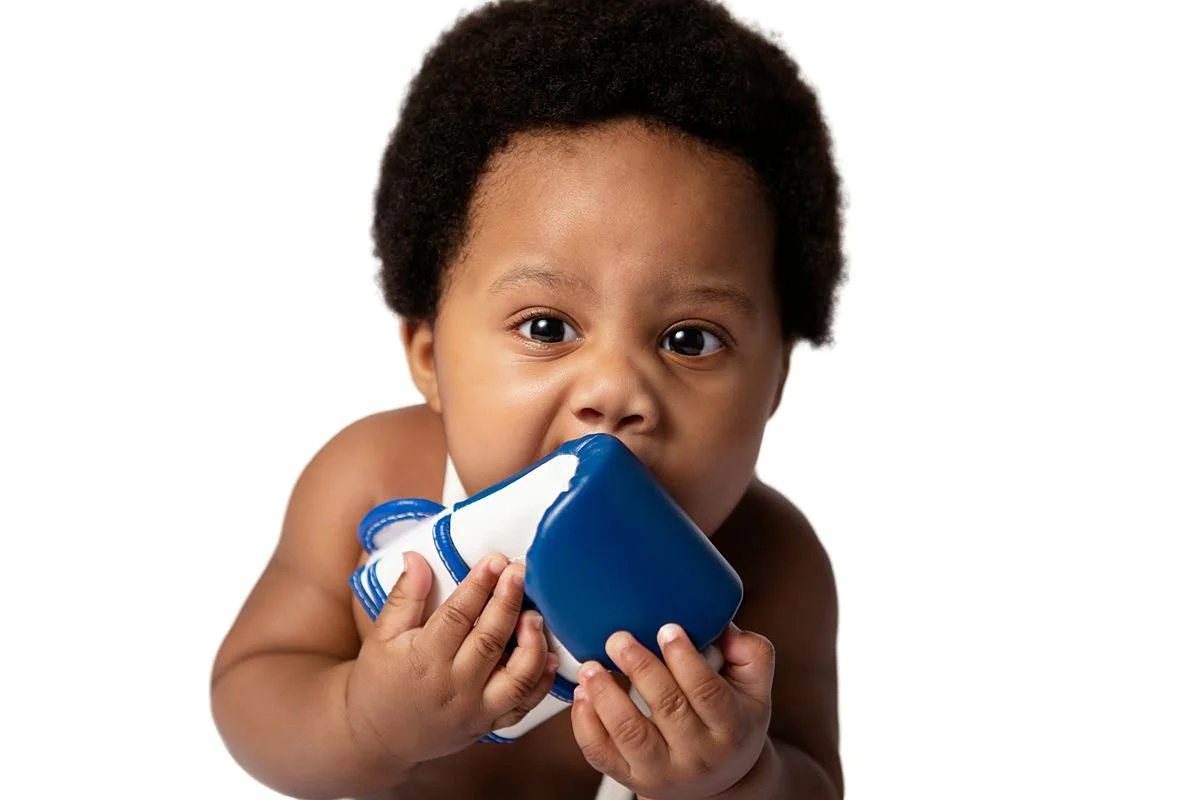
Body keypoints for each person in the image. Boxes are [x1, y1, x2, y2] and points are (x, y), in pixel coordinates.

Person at [211, 1, 846, 797]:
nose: (615, 391)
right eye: (547, 326)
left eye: (690, 339)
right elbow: (250, 690)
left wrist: (739, 776)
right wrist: (365, 720)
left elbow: (815, 781)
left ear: (775, 383)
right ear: (431, 355)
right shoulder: (365, 480)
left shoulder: (775, 564)